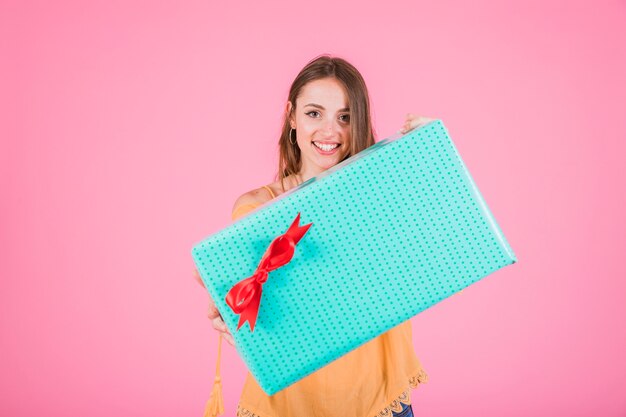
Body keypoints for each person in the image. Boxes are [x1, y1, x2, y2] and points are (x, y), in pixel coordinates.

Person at [194, 54, 433, 417]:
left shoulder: (382, 194)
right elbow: (267, 312)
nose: (329, 131)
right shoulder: (257, 209)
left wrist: (431, 156)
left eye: (345, 117)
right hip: (284, 404)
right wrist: (229, 308)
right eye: (313, 113)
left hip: (377, 398)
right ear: (292, 115)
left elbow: (438, 248)